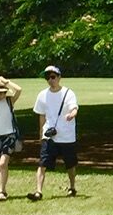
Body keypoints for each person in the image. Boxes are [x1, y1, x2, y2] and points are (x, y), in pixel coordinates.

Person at [31, 65, 80, 199]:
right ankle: (38, 192)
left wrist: (72, 114)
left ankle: (72, 187)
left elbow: (74, 108)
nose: (50, 80)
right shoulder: (42, 95)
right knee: (42, 163)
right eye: (47, 77)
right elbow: (41, 115)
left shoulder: (68, 93)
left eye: (53, 77)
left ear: (59, 77)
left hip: (66, 136)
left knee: (70, 164)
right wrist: (41, 133)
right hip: (49, 136)